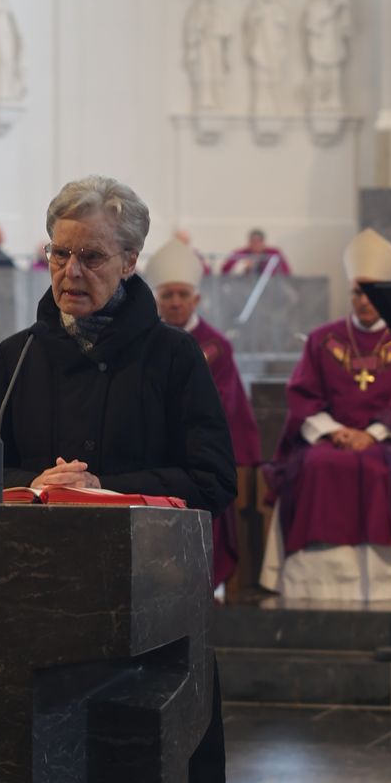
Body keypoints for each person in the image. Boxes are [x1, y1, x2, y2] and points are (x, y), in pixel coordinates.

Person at [0, 175, 236, 783]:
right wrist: (38, 484)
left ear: (130, 261)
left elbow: (213, 480)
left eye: (91, 257)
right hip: (36, 609)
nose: (70, 272)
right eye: (59, 253)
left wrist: (103, 487)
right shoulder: (17, 356)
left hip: (144, 612)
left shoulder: (173, 356)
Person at [261, 229, 391, 604]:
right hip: (331, 438)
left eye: (373, 292)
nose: (364, 300)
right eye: (357, 292)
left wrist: (375, 433)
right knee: (314, 465)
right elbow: (303, 394)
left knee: (378, 469)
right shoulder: (322, 339)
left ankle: (383, 584)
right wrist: (334, 431)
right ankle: (315, 583)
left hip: (389, 443)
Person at [146, 239, 261, 591]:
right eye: (167, 295)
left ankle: (204, 584)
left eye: (182, 294)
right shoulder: (144, 342)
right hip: (151, 450)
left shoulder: (216, 346)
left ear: (196, 299)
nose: (175, 302)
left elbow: (221, 405)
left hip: (198, 451)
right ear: (156, 300)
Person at [221, 228, 291, 277]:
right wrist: (242, 267)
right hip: (244, 286)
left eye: (258, 242)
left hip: (270, 287)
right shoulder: (240, 253)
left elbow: (286, 272)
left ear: (263, 242)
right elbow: (225, 271)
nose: (256, 245)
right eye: (253, 242)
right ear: (249, 242)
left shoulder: (274, 253)